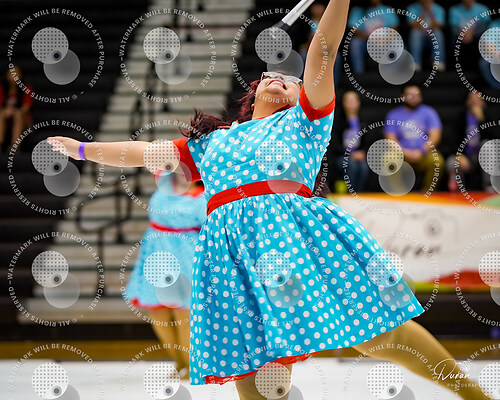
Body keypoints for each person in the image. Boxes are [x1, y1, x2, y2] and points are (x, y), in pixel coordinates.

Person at [48, 1, 491, 398]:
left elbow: (323, 49)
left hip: (298, 239)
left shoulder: (304, 124)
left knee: (380, 334)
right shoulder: (212, 142)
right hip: (232, 253)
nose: (281, 79)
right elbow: (145, 153)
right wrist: (82, 150)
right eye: (272, 76)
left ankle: (470, 393)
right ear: (253, 92)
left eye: (293, 81)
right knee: (252, 361)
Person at [124, 172, 206, 380]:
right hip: (156, 254)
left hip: (187, 254)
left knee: (183, 313)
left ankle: (191, 365)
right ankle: (179, 362)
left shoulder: (202, 197)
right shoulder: (164, 188)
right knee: (158, 313)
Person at [384, 85, 445, 192]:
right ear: (402, 97)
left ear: (421, 97)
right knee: (388, 158)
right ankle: (398, 194)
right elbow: (390, 139)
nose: (413, 98)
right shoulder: (393, 115)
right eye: (409, 95)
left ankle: (428, 193)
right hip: (401, 154)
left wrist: (422, 150)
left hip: (424, 153)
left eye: (416, 95)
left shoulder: (429, 112)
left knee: (437, 161)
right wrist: (405, 152)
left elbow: (435, 136)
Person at [447, 91, 497, 192]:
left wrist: (482, 119)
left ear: (483, 102)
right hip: (466, 157)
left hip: (483, 157)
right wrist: (459, 155)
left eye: (478, 99)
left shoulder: (490, 116)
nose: (475, 102)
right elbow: (452, 139)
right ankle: (459, 192)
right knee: (452, 162)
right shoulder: (461, 117)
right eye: (472, 99)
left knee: (487, 146)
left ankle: (490, 188)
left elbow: (494, 137)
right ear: (467, 101)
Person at [327, 91, 370, 193]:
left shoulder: (363, 120)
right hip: (341, 155)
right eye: (348, 100)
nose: (351, 103)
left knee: (364, 166)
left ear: (358, 102)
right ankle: (350, 193)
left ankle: (359, 193)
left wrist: (362, 152)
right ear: (343, 102)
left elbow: (368, 140)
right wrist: (349, 154)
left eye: (353, 100)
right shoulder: (337, 120)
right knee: (351, 165)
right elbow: (334, 143)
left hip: (358, 155)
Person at [347, 0, 399, 74]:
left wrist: (384, 40)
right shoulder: (358, 10)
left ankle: (393, 74)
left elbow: (394, 28)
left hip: (384, 42)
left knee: (396, 42)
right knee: (355, 43)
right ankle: (359, 73)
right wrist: (371, 38)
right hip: (365, 41)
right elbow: (354, 29)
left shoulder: (387, 10)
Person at [449, 0, 491, 70]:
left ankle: (478, 68)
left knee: (483, 40)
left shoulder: (483, 8)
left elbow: (485, 26)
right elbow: (453, 27)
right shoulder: (454, 9)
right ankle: (455, 67)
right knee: (454, 40)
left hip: (477, 34)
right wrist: (463, 34)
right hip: (460, 34)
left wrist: (472, 32)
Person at [407, 0, 446, 71]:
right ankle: (415, 62)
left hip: (432, 36)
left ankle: (438, 61)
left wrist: (430, 12)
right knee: (415, 33)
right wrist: (423, 11)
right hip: (419, 37)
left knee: (438, 33)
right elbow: (414, 26)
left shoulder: (439, 9)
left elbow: (437, 26)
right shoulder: (412, 8)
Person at [0, 65, 33, 151]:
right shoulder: (2, 88)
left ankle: (14, 146)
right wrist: (6, 111)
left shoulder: (26, 88)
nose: (14, 76)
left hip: (23, 119)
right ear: (7, 75)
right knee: (2, 114)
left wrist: (13, 111)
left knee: (18, 114)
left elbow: (26, 107)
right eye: (11, 74)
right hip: (5, 117)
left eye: (16, 73)